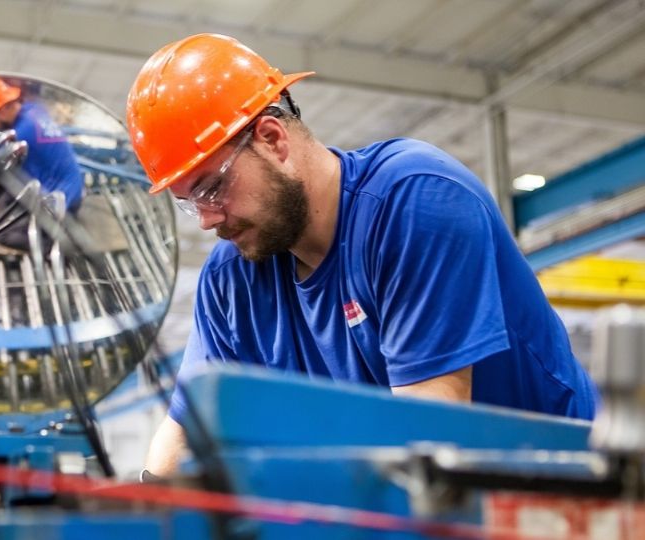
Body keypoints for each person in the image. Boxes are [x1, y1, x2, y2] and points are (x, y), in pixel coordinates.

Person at [125, 34, 599, 477]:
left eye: (212, 187)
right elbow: (187, 431)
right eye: (190, 202)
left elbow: (428, 438)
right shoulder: (232, 279)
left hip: (557, 492)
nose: (207, 219)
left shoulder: (415, 202)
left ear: (273, 140)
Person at [0, 77, 84, 249]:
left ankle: (55, 245)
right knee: (3, 200)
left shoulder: (20, 136)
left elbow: (5, 174)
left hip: (60, 202)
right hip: (72, 188)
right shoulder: (34, 111)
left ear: (2, 111)